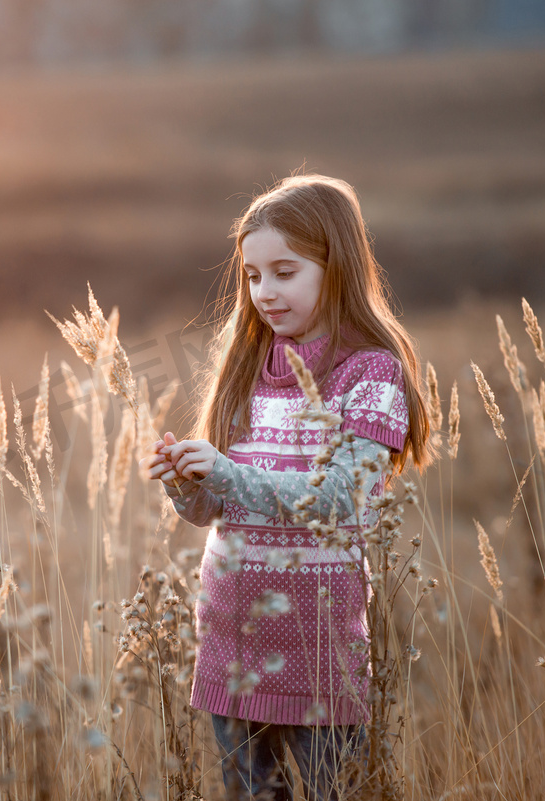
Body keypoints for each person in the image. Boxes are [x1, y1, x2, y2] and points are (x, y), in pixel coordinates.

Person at [139, 174, 434, 800]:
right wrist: (187, 484)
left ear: (336, 266)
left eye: (284, 272)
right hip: (230, 641)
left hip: (319, 649)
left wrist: (225, 470)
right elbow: (216, 509)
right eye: (251, 275)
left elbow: (337, 502)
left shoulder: (369, 372)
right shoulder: (246, 367)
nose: (264, 293)